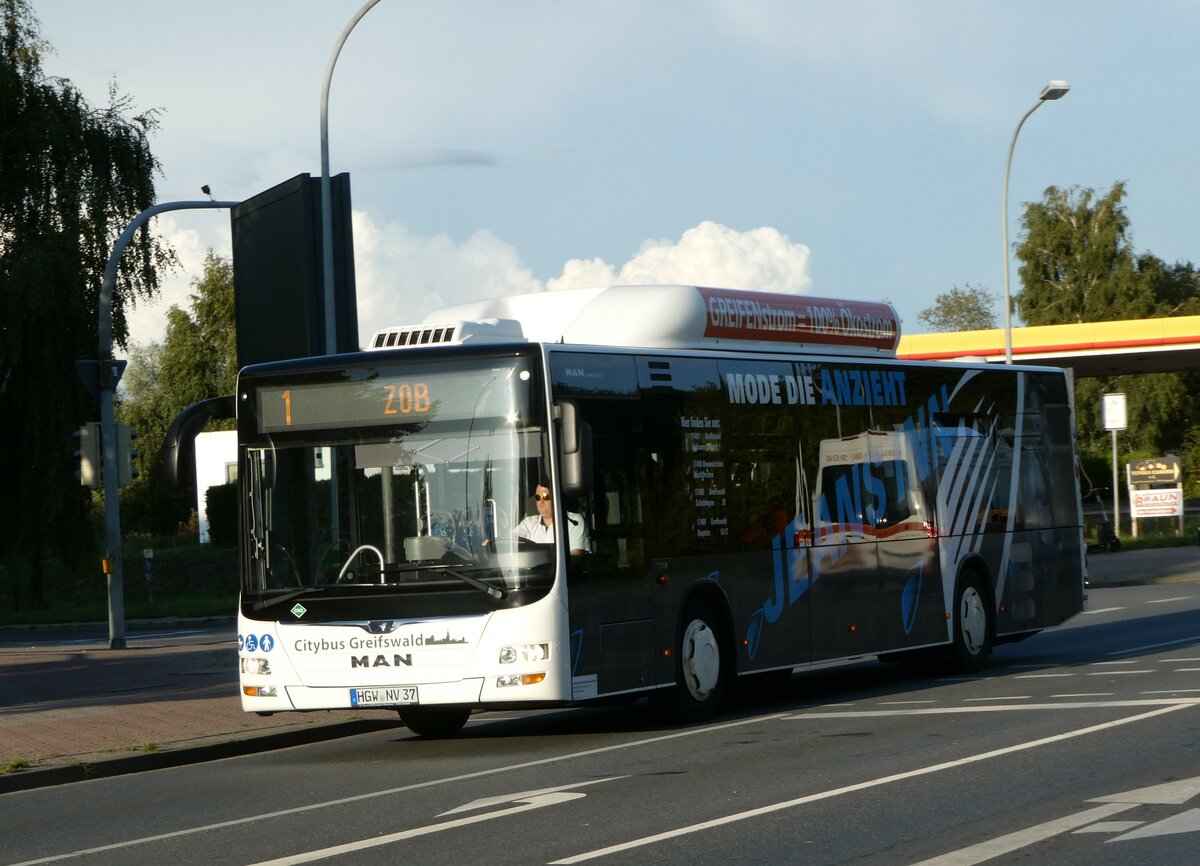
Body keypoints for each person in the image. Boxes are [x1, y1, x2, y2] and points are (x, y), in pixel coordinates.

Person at [516, 482, 590, 555]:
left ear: (555, 497)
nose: (541, 502)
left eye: (545, 496)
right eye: (538, 497)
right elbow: (511, 540)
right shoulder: (528, 523)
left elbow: (575, 557)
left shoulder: (574, 521)